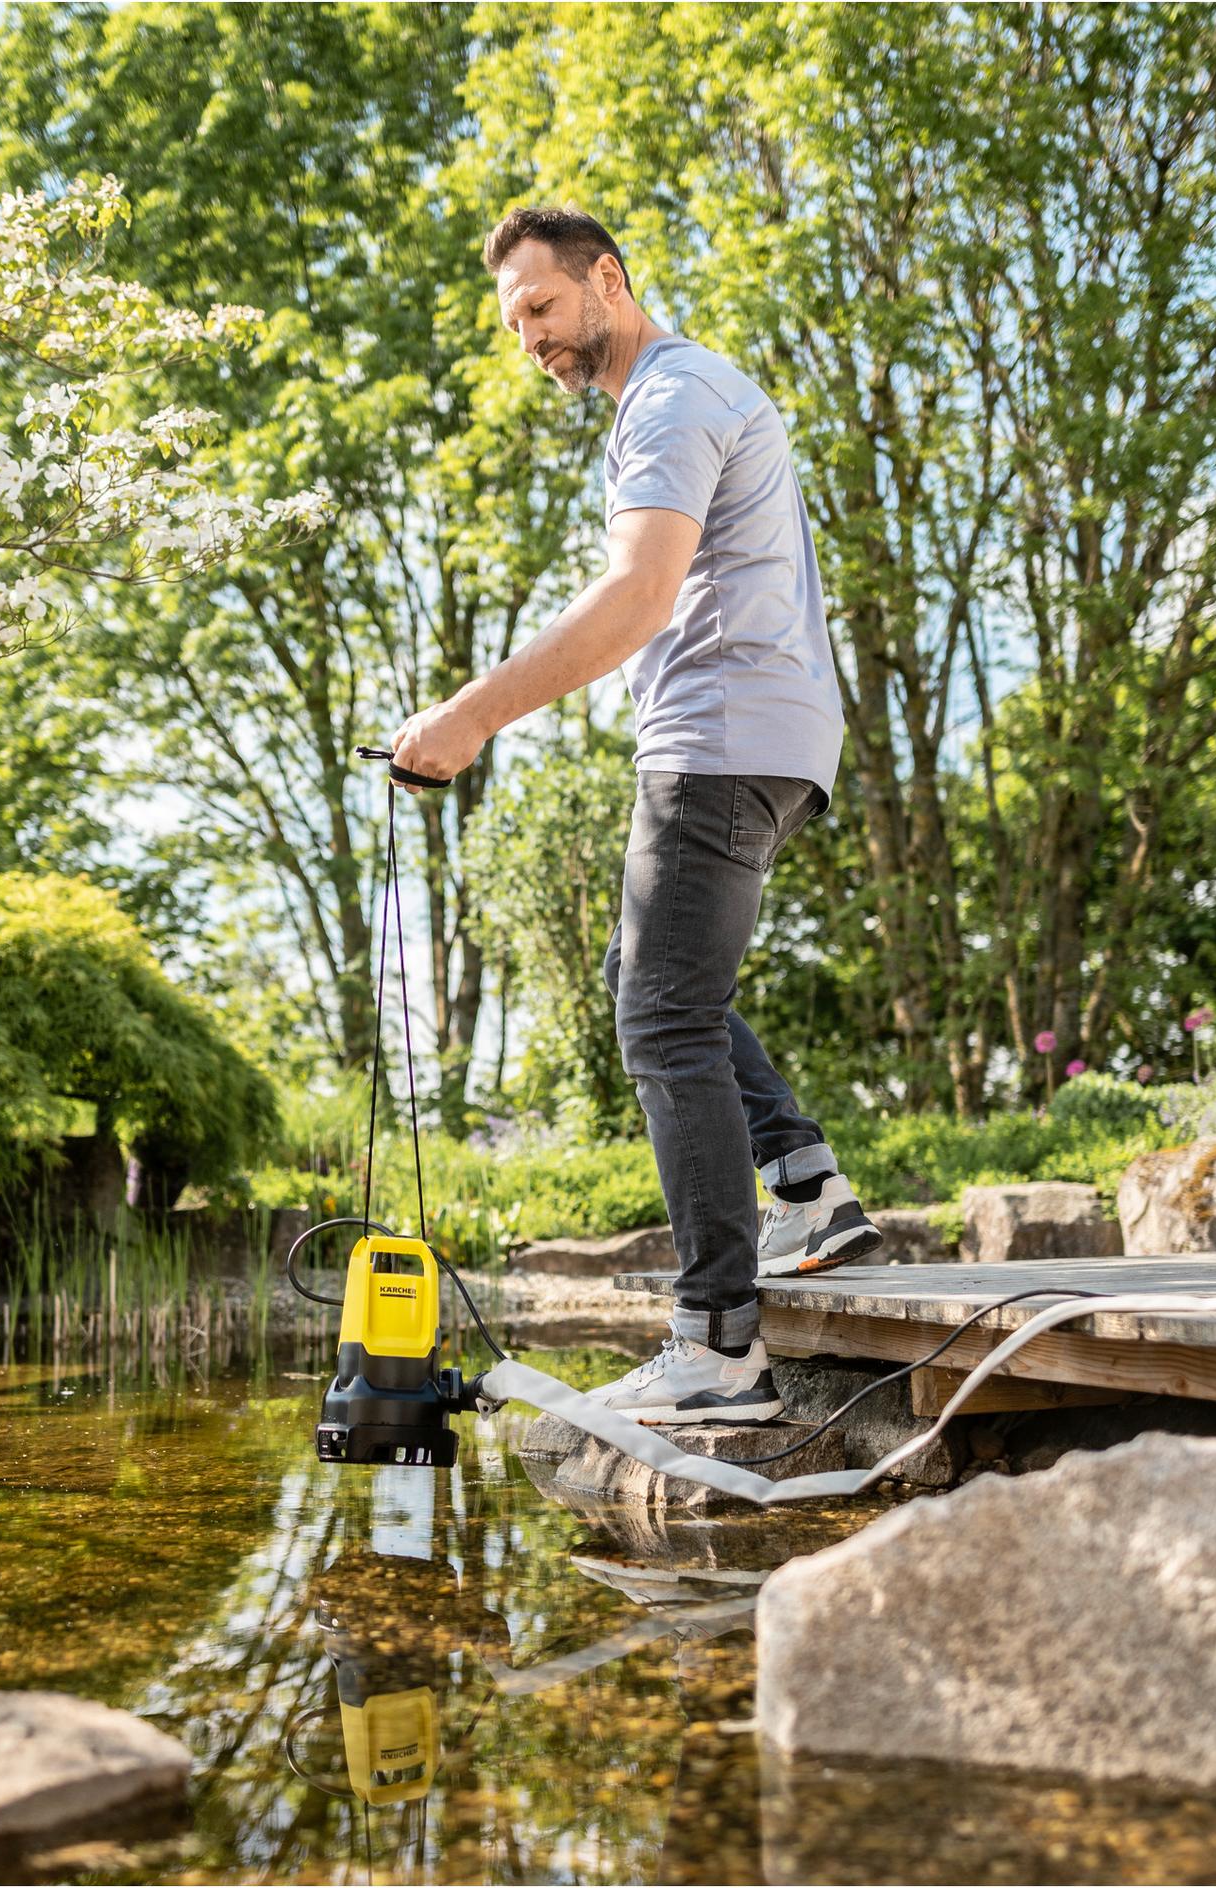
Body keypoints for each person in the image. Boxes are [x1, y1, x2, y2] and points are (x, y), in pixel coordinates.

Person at [388, 205, 879, 1426]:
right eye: (514, 324)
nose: (530, 339)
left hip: (721, 736)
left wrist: (469, 717)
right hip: (769, 737)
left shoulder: (669, 397)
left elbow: (638, 596)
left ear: (606, 279)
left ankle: (718, 1347)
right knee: (652, 979)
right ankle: (809, 1191)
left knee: (659, 1015)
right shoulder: (680, 396)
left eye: (542, 308)